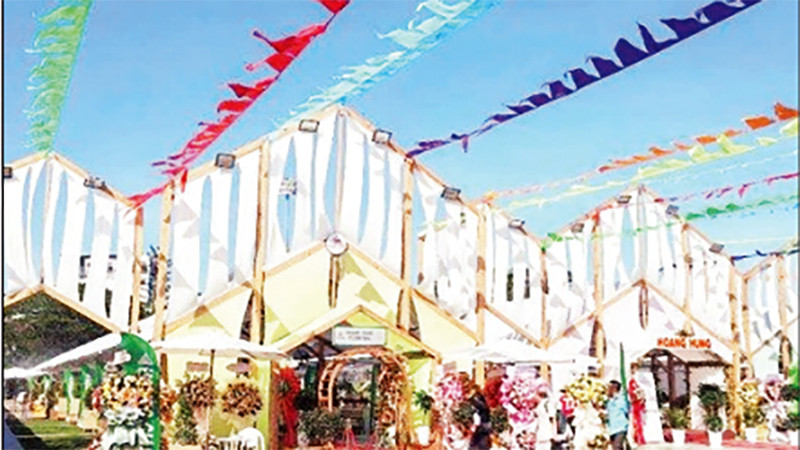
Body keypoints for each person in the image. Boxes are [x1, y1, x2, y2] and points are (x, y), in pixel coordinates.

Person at [606, 380, 630, 450]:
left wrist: (615, 398)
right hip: (612, 428)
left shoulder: (621, 398)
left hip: (620, 427)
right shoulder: (609, 401)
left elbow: (625, 409)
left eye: (609, 388)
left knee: (617, 446)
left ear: (614, 388)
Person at [628, 362, 646, 446]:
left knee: (638, 420)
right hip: (633, 402)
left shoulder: (635, 380)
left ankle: (638, 437)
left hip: (637, 402)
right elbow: (630, 390)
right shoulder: (630, 380)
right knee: (635, 420)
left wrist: (641, 395)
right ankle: (636, 437)